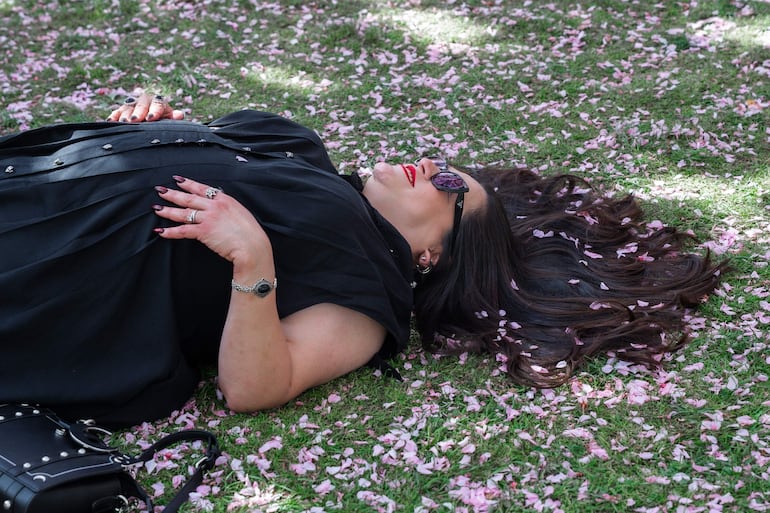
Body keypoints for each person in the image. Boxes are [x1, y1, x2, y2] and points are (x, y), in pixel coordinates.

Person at [0, 94, 723, 427]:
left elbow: (257, 387)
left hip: (57, 274)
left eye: (449, 187)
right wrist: (161, 130)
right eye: (446, 164)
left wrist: (252, 259)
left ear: (433, 250)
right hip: (40, 194)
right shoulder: (303, 153)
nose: (433, 165)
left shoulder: (367, 297)